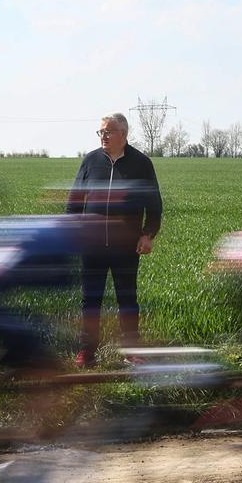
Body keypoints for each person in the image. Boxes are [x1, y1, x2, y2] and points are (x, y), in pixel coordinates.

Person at [65, 113, 163, 366]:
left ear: (123, 134)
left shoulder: (141, 163)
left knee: (127, 299)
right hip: (92, 245)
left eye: (108, 131)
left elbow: (154, 205)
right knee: (90, 300)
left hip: (126, 246)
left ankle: (132, 350)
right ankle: (87, 351)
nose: (103, 136)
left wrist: (148, 234)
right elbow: (74, 201)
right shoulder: (90, 161)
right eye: (101, 132)